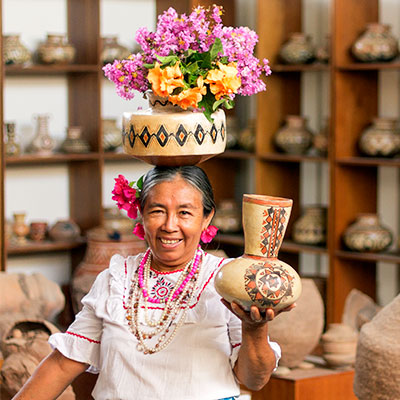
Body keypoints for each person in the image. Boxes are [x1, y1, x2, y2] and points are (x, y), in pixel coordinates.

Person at [13, 165, 294, 400]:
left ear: (207, 217)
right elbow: (63, 364)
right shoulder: (115, 279)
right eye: (157, 211)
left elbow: (254, 379)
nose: (169, 225)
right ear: (141, 214)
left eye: (185, 213)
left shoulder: (227, 280)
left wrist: (254, 328)